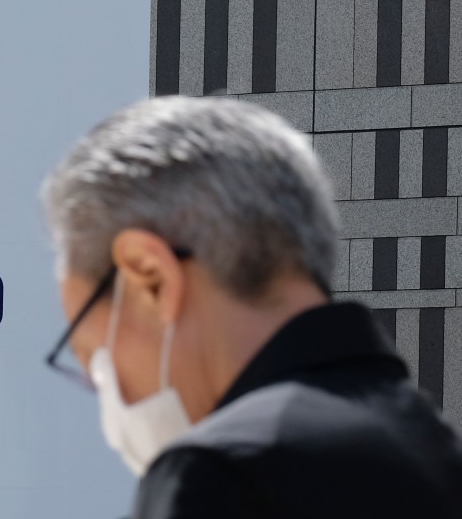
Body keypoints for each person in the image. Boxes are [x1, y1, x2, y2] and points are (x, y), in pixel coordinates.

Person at [41, 97, 462, 518]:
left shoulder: (217, 474)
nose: (107, 399)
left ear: (151, 277)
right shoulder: (437, 454)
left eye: (95, 361)